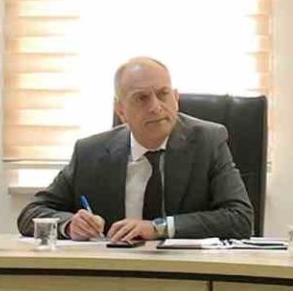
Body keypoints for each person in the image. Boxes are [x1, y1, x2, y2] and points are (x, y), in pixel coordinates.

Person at [17, 57, 253, 243]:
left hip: (188, 275)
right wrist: (69, 225)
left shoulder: (208, 142)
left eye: (163, 94)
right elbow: (31, 213)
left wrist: (158, 228)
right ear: (121, 110)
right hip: (114, 275)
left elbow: (240, 219)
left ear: (175, 97)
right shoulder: (90, 152)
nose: (155, 107)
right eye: (141, 98)